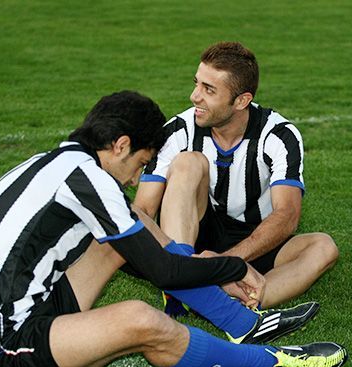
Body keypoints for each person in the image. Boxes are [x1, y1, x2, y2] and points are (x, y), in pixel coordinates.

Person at [0, 90, 347, 367]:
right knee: (142, 320)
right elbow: (165, 272)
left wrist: (218, 268)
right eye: (142, 163)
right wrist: (231, 268)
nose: (138, 176)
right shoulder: (89, 179)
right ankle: (276, 358)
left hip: (31, 301)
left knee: (135, 224)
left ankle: (244, 324)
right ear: (121, 145)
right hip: (3, 339)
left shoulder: (61, 161)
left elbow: (151, 250)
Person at [134, 42, 339, 316]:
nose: (194, 96)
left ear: (242, 100)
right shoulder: (178, 130)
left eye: (209, 90)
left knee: (323, 247)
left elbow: (287, 215)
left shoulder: (279, 135)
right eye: (197, 84)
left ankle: (228, 304)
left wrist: (225, 263)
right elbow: (144, 209)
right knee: (188, 162)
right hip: (195, 232)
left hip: (256, 237)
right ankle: (182, 281)